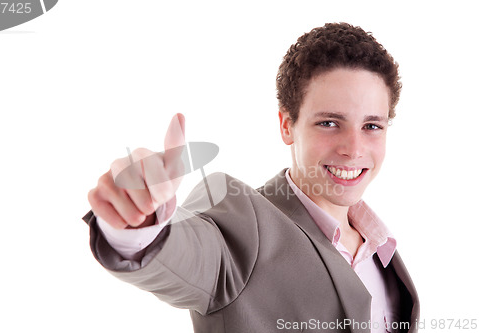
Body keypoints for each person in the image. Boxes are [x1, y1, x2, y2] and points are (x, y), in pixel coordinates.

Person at [84, 22, 420, 333]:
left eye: (372, 126)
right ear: (287, 125)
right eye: (329, 122)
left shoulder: (382, 248)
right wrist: (138, 223)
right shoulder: (244, 219)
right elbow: (190, 254)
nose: (354, 148)